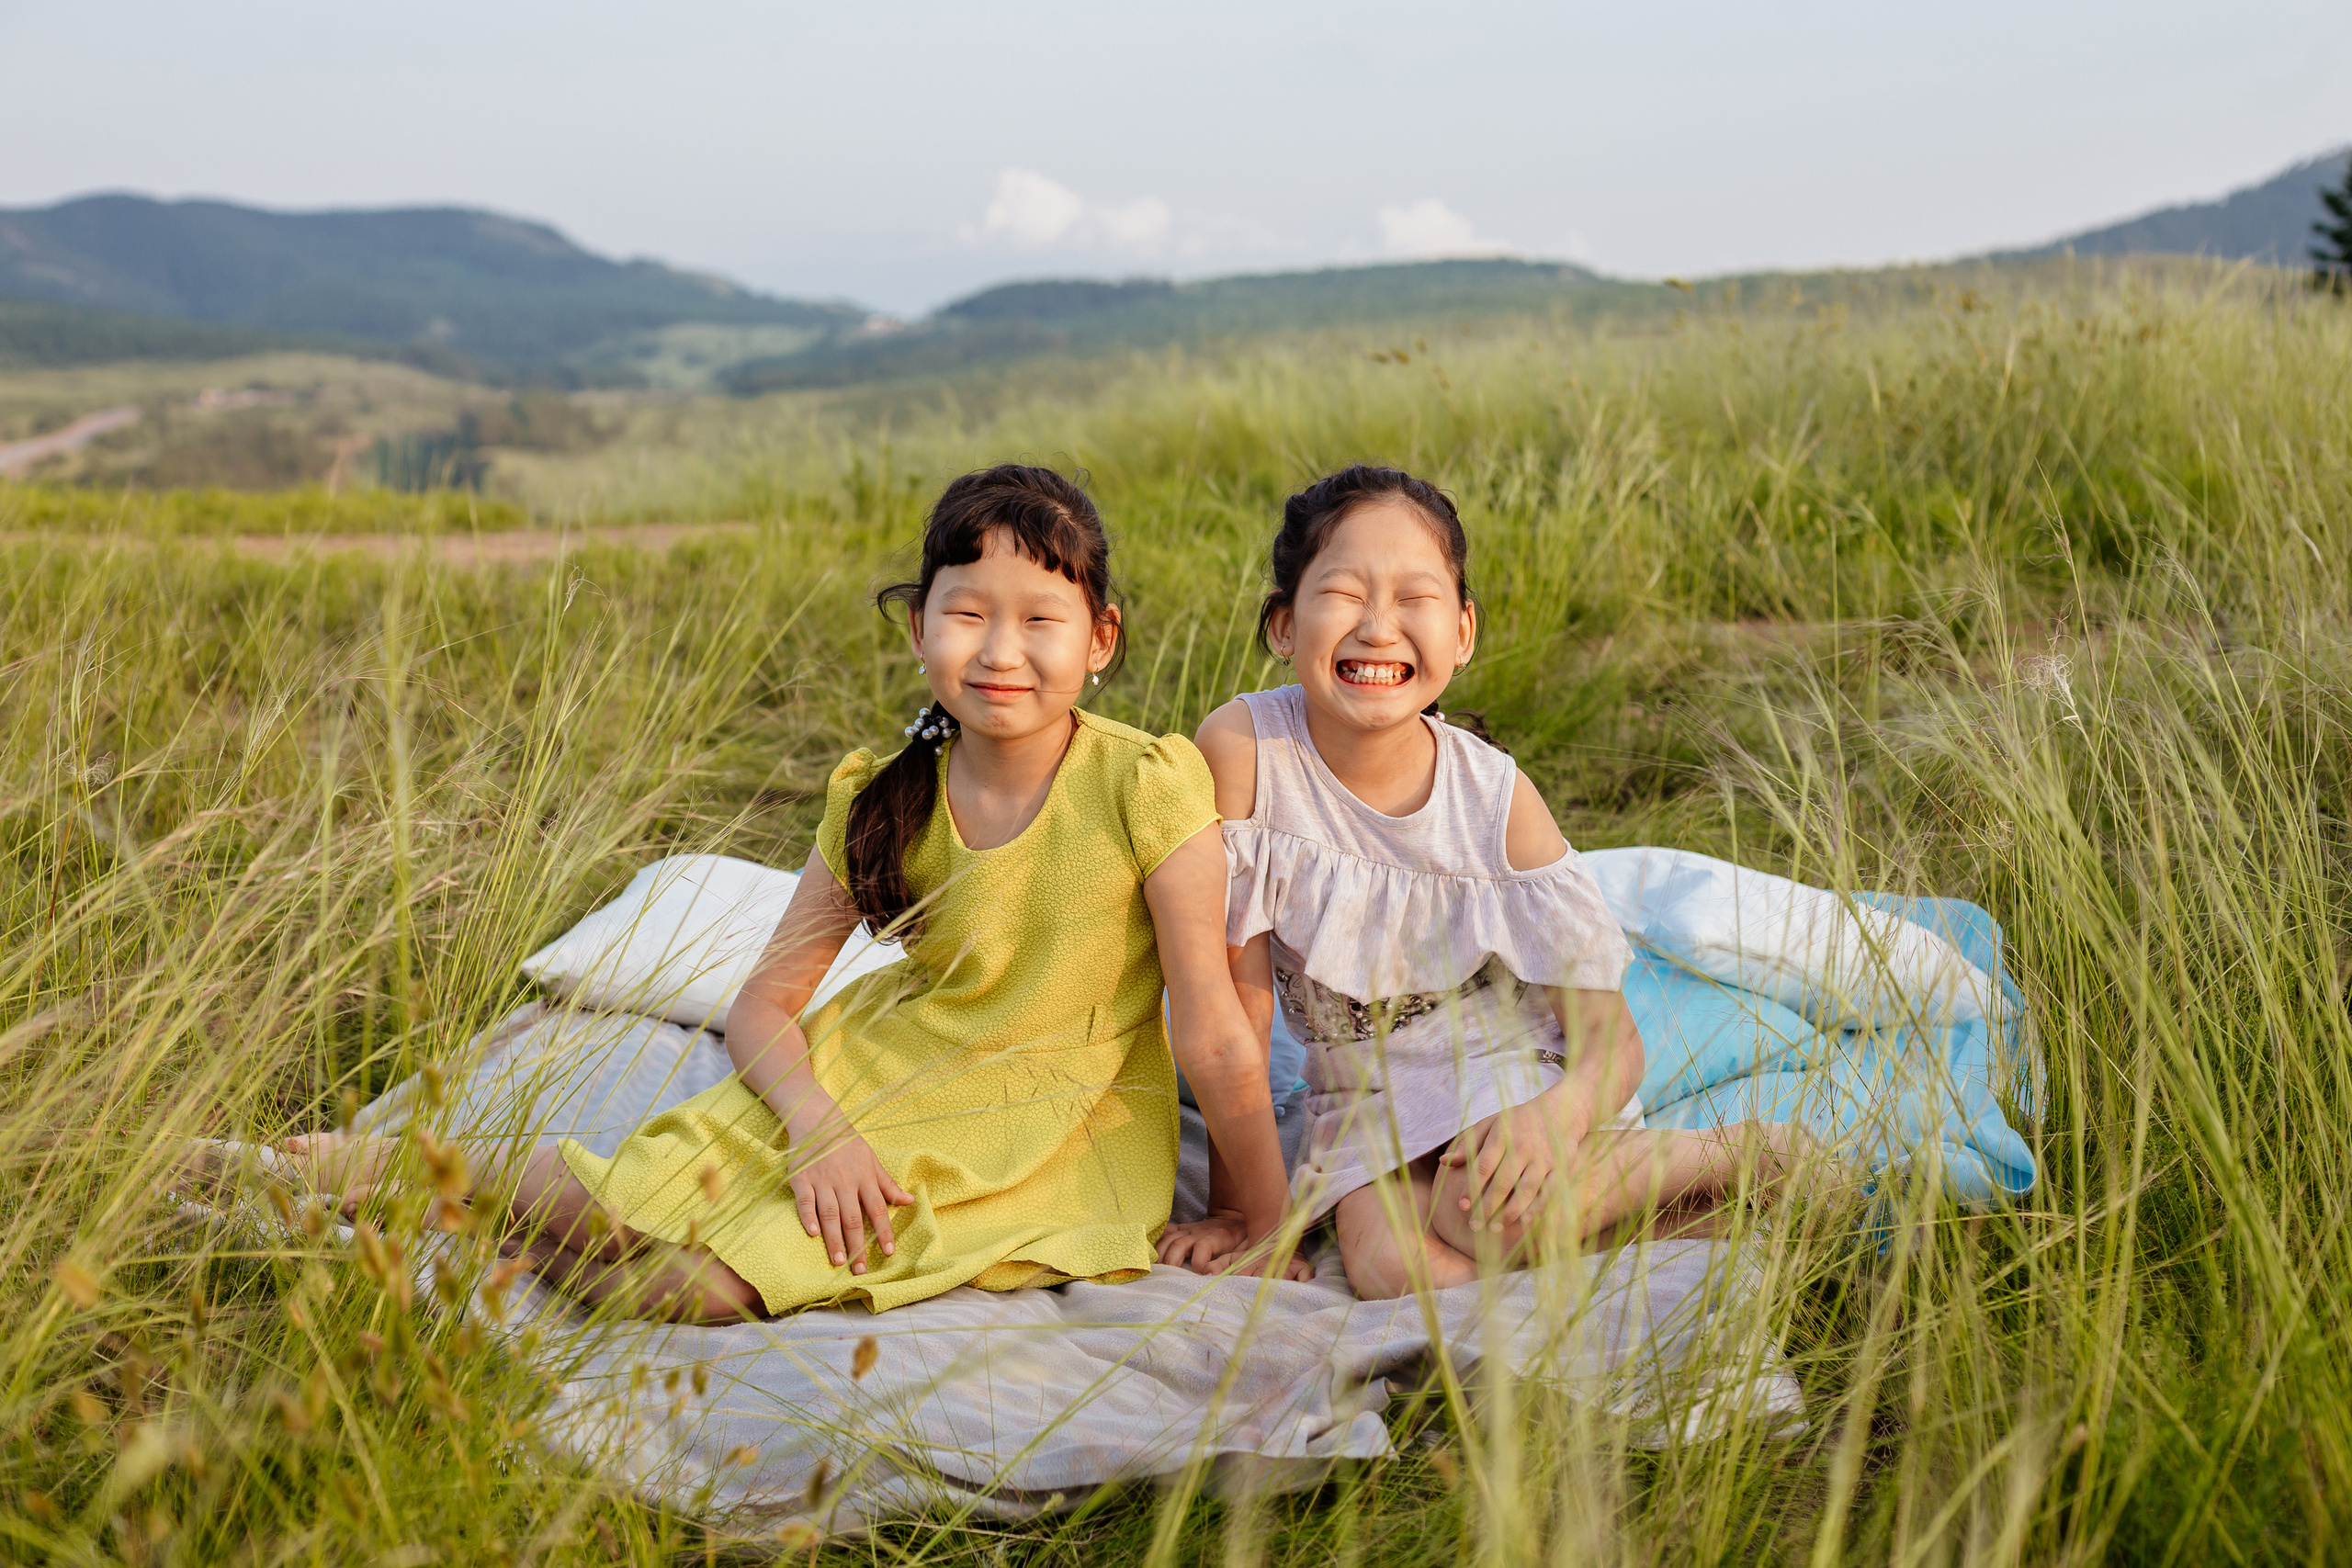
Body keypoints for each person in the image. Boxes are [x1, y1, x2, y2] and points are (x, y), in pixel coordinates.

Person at [284, 464, 1300, 1320]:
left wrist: (1254, 1220)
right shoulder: (881, 794)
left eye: (1041, 619)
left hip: (1049, 1134)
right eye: (967, 614)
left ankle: (444, 1209)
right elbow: (764, 1001)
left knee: (696, 1291)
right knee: (615, 1207)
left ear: (1100, 640)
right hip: (877, 1078)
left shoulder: (1144, 783)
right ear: (917, 627)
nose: (999, 651)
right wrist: (820, 1132)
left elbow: (1211, 1031)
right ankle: (335, 1165)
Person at [1157, 466, 1810, 1299]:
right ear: (1284, 624)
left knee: (1482, 1214)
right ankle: (1718, 1212)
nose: (1378, 627)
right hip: (1364, 1099)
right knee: (1393, 1272)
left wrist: (1553, 1117)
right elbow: (1239, 1007)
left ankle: (1748, 1151)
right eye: (1344, 593)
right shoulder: (1246, 750)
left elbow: (1614, 1041)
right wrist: (1243, 1211)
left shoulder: (1496, 801)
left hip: (1501, 1070)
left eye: (1414, 598)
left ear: (1462, 632)